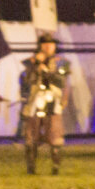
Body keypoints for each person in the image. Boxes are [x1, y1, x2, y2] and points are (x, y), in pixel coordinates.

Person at [18, 39, 69, 175]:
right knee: (31, 137)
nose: (48, 47)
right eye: (45, 44)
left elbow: (61, 81)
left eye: (51, 44)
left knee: (55, 136)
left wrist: (46, 70)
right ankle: (31, 168)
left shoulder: (61, 62)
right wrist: (36, 64)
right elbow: (25, 80)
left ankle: (55, 168)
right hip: (35, 102)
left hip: (53, 102)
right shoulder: (31, 62)